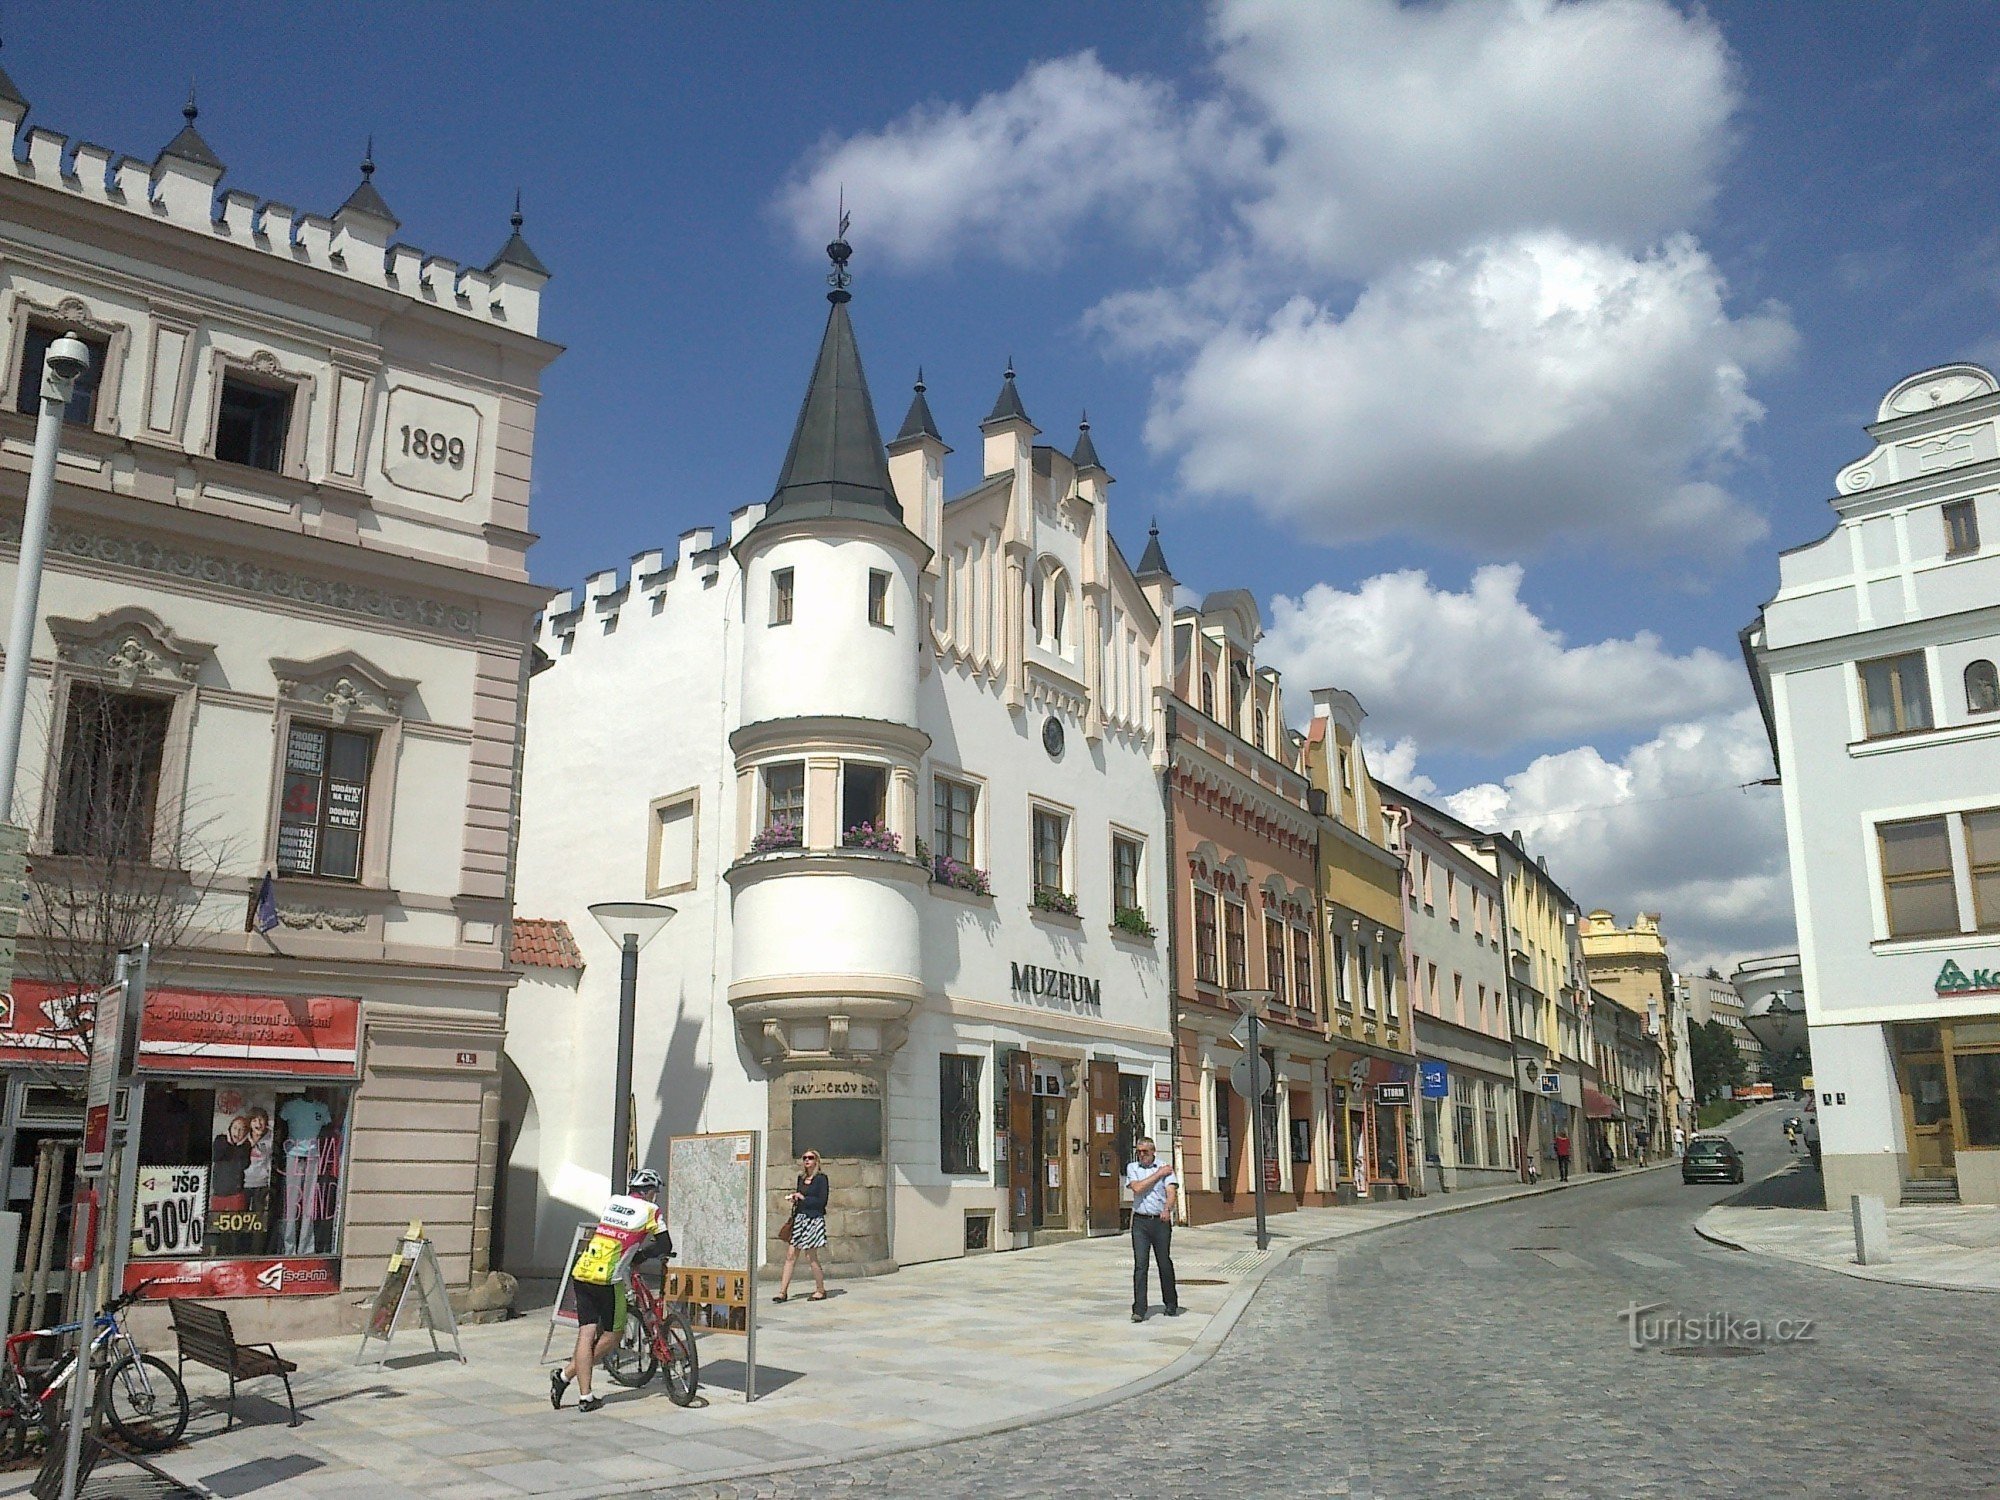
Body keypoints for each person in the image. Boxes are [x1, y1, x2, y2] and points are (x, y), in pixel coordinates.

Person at [552, 1168, 671, 1414]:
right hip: (609, 1278)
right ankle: (566, 1375)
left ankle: (582, 1393)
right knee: (613, 1336)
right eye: (654, 1192)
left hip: (583, 1270)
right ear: (649, 1192)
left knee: (586, 1334)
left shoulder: (614, 1201)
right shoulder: (651, 1210)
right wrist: (643, 1254)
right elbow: (664, 1243)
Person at [1124, 1137, 1180, 1323]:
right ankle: (1139, 1308)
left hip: (1160, 1222)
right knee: (1141, 1265)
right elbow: (1138, 1188)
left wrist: (1167, 1209)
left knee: (1163, 1262)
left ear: (1153, 1151)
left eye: (1145, 1152)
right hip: (1140, 1222)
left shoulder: (1166, 1167)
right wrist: (1158, 1174)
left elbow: (1171, 1192)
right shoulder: (1133, 1168)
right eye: (1138, 1151)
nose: (1141, 1155)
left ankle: (1170, 1303)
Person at [774, 1149, 828, 1303]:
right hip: (799, 1219)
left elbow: (822, 1201)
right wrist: (795, 1199)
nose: (807, 1160)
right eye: (804, 1158)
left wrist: (804, 1198)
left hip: (813, 1219)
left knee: (811, 1256)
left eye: (810, 1158)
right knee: (790, 1255)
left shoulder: (821, 1179)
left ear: (816, 1161)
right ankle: (782, 1292)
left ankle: (820, 1290)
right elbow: (801, 1198)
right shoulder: (801, 1178)